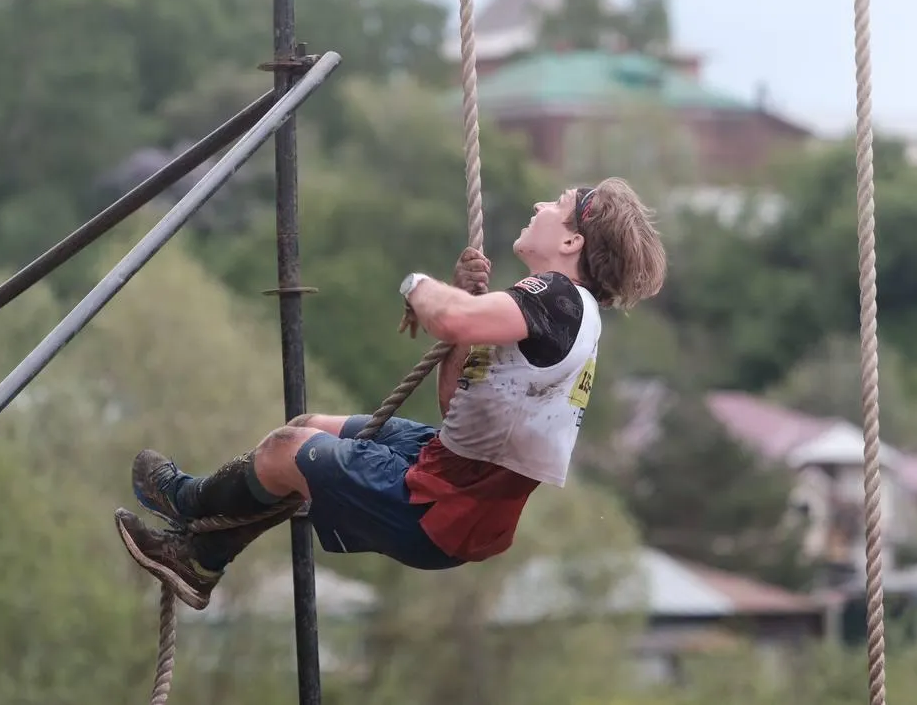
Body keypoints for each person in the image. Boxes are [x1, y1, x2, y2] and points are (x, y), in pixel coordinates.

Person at [114, 177, 668, 610]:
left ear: (572, 239)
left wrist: (420, 285)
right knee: (313, 426)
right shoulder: (567, 312)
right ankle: (205, 557)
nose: (541, 205)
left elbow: (449, 317)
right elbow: (457, 406)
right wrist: (461, 317)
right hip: (458, 477)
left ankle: (186, 503)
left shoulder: (555, 296)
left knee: (286, 450)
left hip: (443, 509)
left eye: (558, 203)